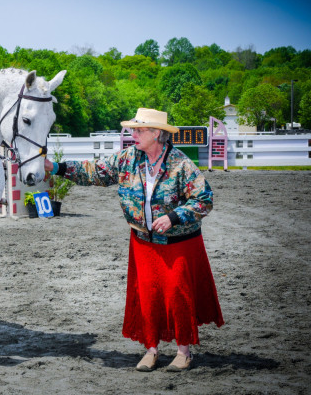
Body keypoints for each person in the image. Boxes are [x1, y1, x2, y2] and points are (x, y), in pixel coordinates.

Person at [45, 108, 224, 372]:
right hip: (143, 242)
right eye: (133, 129)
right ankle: (151, 349)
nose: (133, 134)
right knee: (148, 296)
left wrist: (174, 217)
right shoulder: (128, 159)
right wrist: (57, 167)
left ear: (157, 133)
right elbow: (95, 171)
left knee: (178, 295)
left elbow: (204, 199)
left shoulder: (180, 163)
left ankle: (183, 351)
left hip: (179, 244)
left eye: (139, 130)